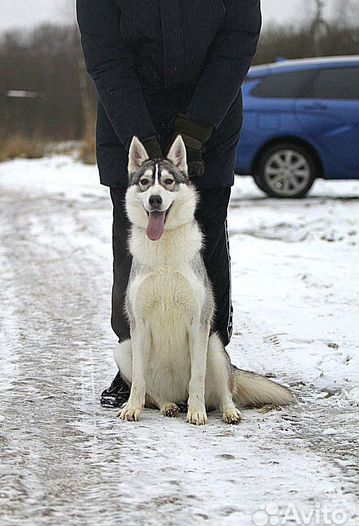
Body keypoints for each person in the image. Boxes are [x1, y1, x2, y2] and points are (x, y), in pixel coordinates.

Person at [76, 0, 262, 407]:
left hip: (211, 120)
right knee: (135, 250)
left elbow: (238, 40)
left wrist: (197, 126)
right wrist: (141, 140)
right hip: (127, 123)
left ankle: (211, 362)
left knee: (206, 244)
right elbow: (106, 56)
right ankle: (135, 368)